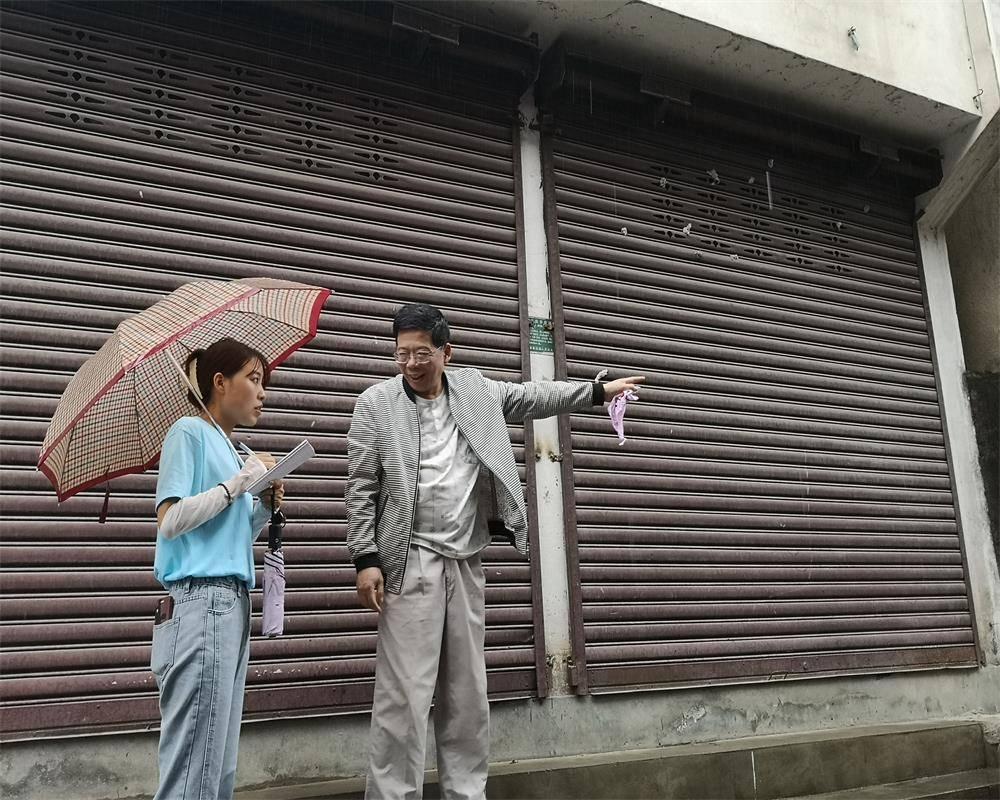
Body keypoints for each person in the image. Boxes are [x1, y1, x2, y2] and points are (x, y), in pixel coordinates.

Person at [346, 304, 644, 800]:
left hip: (465, 560)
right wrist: (365, 558)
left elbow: (532, 396)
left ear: (447, 351)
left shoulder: (476, 391)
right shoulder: (376, 404)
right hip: (408, 560)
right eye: (402, 354)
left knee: (467, 695)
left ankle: (466, 793)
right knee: (403, 698)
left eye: (423, 352)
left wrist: (595, 391)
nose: (412, 363)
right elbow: (361, 487)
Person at [150, 337, 285, 800]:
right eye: (253, 379)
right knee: (194, 765)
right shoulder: (187, 432)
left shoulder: (233, 448)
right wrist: (241, 481)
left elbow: (227, 540)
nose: (262, 392)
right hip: (199, 602)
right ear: (220, 382)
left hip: (230, 603)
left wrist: (263, 506)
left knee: (218, 764)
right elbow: (171, 520)